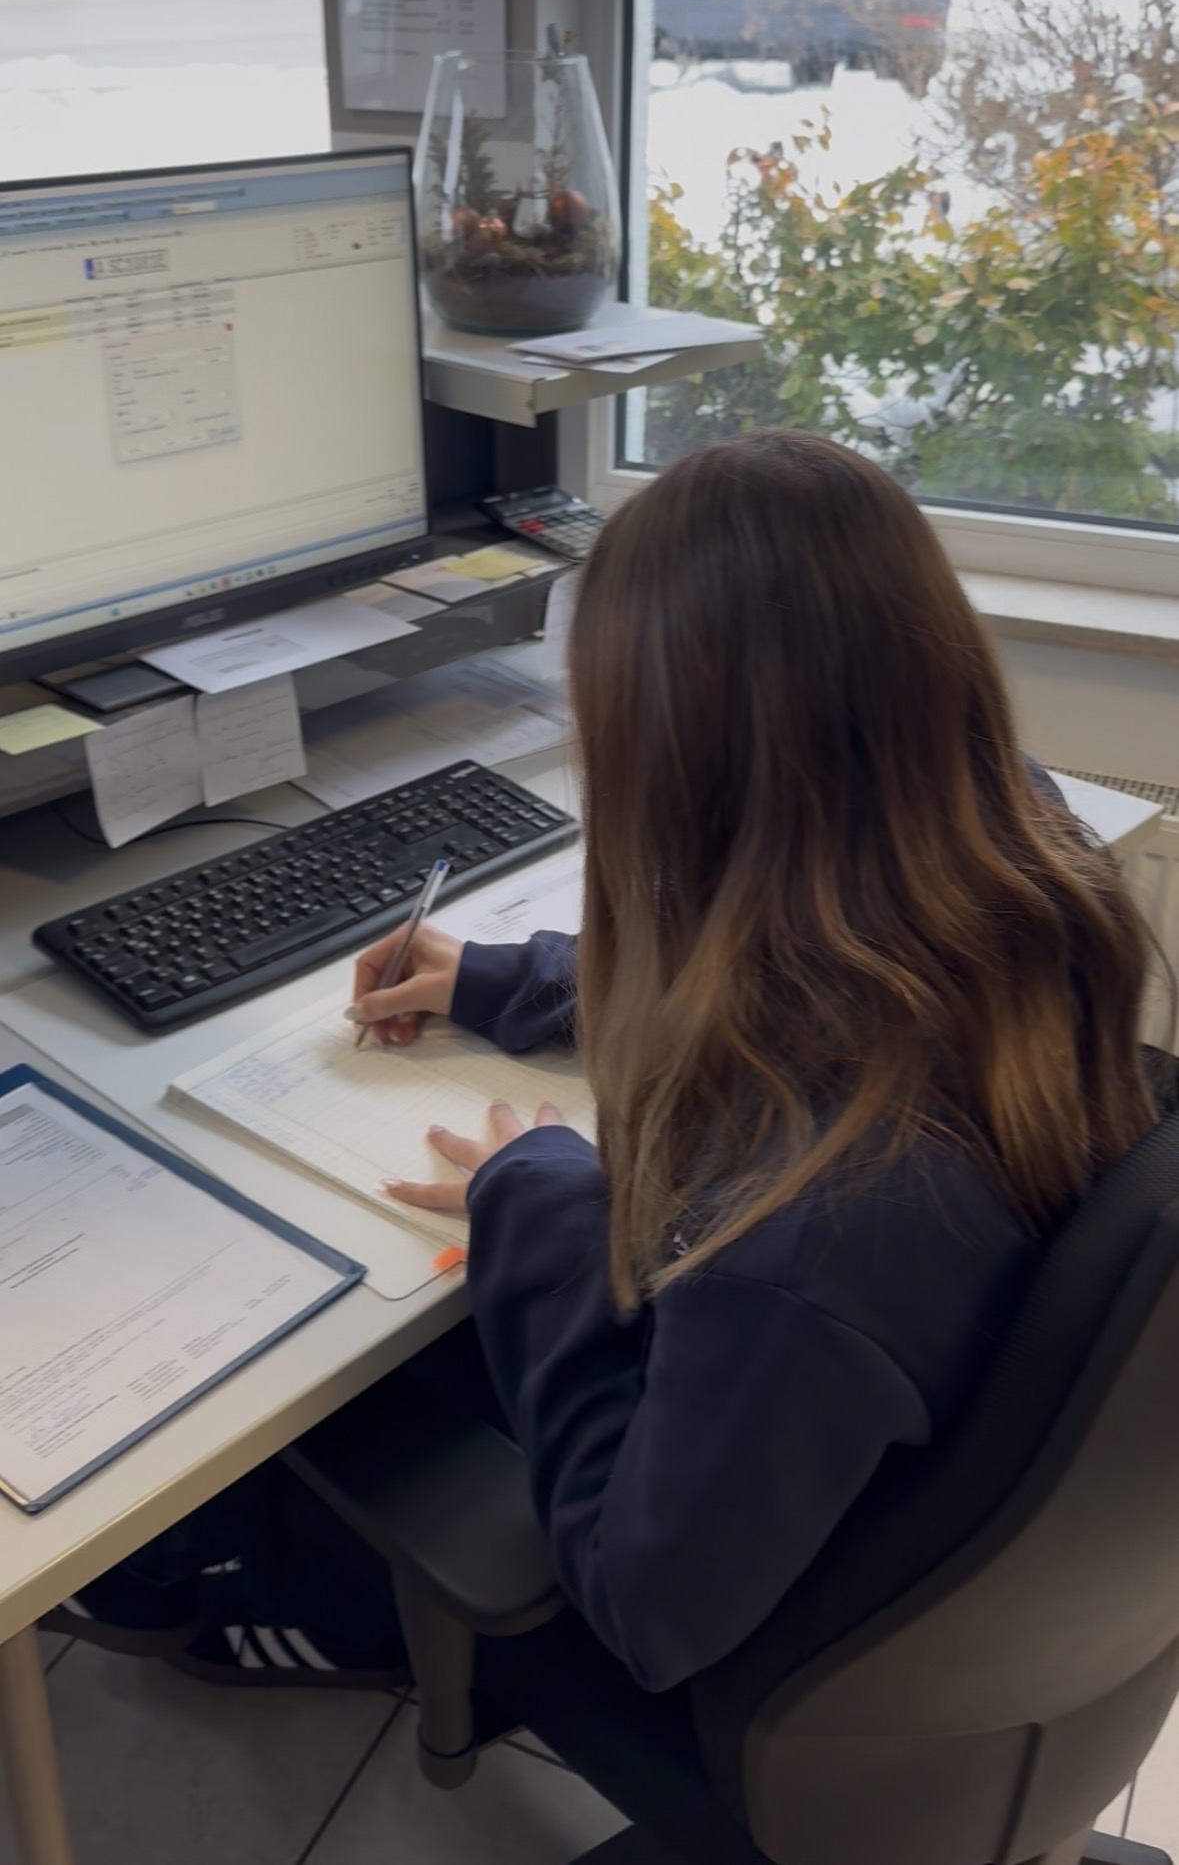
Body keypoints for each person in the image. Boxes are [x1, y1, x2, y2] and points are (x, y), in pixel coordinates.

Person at [46, 429, 1162, 1698]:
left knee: (346, 1348)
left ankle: (325, 1613)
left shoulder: (812, 1241)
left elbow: (646, 1603)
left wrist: (537, 1194)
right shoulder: (1012, 854)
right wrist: (497, 978)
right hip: (854, 1459)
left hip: (733, 1620)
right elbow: (780, 965)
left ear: (679, 784)